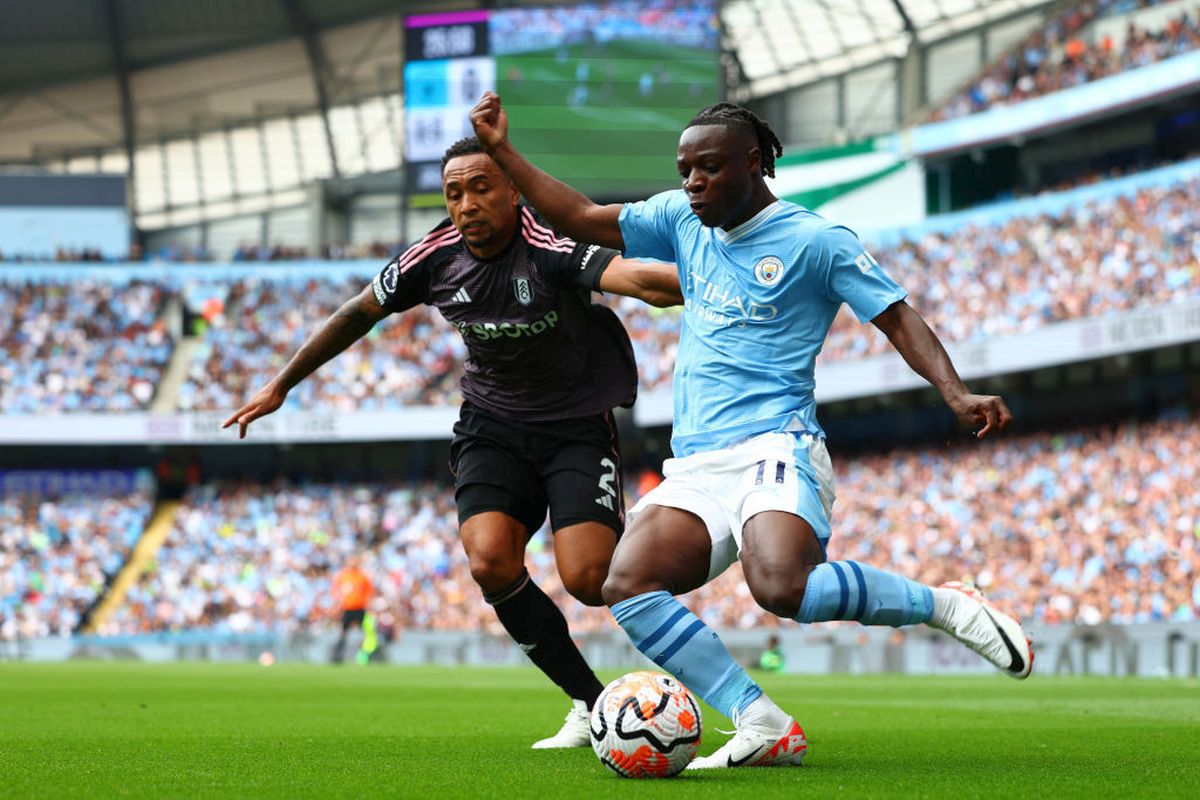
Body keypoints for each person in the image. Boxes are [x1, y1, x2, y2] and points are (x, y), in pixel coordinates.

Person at [470, 91, 1033, 769]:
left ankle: (942, 604)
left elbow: (896, 317)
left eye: (709, 167)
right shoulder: (682, 220)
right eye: (685, 170)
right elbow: (582, 217)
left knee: (782, 588)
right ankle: (759, 720)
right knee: (627, 584)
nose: (693, 183)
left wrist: (956, 391)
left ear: (756, 161)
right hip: (699, 465)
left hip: (778, 444)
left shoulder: (816, 242)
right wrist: (502, 150)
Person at [223, 136, 682, 748]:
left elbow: (634, 279)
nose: (466, 203)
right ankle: (591, 704)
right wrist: (282, 384)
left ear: (513, 191)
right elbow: (358, 311)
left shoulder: (546, 245)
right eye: (453, 192)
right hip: (491, 425)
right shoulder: (433, 256)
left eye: (481, 187)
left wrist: (716, 283)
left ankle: (678, 544)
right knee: (490, 561)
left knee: (590, 579)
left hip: (575, 424)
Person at [330, 555, 374, 664]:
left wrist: (368, 605)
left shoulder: (362, 576)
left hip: (360, 608)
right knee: (343, 632)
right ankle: (338, 656)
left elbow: (369, 592)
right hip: (347, 608)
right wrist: (337, 606)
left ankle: (364, 656)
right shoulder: (343, 576)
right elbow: (335, 591)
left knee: (366, 633)